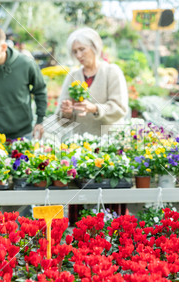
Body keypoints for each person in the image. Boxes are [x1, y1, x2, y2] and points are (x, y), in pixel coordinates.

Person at [56, 27, 128, 223]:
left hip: (109, 144)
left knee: (110, 195)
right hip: (80, 146)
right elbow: (61, 117)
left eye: (82, 49)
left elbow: (120, 107)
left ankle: (113, 233)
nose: (78, 55)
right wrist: (66, 111)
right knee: (78, 195)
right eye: (75, 51)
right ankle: (78, 235)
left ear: (95, 48)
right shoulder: (72, 76)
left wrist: (94, 108)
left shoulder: (112, 72)